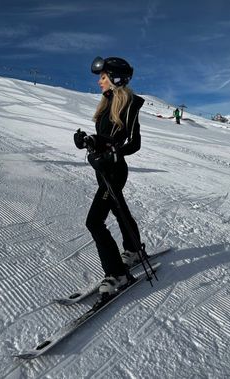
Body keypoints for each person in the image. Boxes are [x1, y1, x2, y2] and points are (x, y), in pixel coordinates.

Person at [74, 56, 144, 296]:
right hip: (102, 169)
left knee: (94, 221)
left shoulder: (130, 103)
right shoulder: (106, 103)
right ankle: (134, 250)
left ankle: (118, 274)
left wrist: (114, 153)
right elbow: (105, 138)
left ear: (115, 78)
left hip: (114, 171)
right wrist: (88, 141)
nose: (99, 82)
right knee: (119, 209)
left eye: (103, 77)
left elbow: (134, 142)